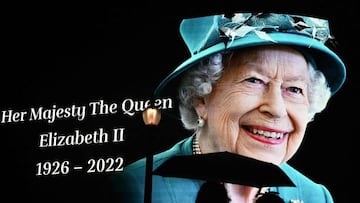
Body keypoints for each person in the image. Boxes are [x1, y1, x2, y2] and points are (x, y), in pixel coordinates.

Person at [111, 12, 346, 203]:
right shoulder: (133, 188)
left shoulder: (315, 197)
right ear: (200, 98)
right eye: (254, 80)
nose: (276, 109)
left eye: (294, 89)